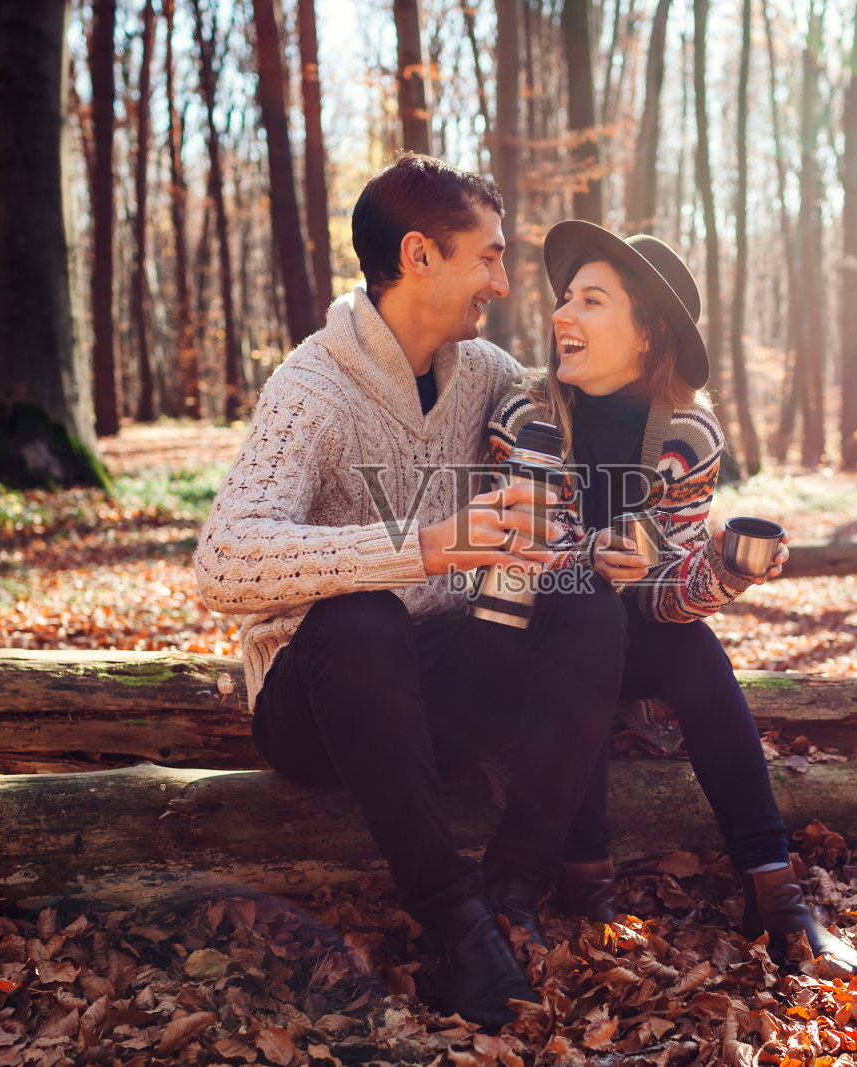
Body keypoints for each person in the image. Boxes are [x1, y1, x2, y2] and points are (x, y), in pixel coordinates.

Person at [193, 158, 628, 1027]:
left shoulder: (487, 374)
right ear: (420, 254)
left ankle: (513, 887)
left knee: (588, 601)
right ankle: (457, 922)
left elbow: (569, 434)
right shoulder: (311, 386)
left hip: (443, 680)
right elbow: (223, 562)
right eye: (489, 258)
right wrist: (423, 547)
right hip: (318, 698)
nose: (503, 285)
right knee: (361, 616)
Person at [485, 220, 857, 977]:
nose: (562, 314)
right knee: (590, 609)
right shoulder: (525, 416)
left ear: (645, 334)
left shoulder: (687, 435)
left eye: (590, 301)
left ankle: (774, 887)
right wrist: (592, 558)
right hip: (528, 640)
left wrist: (726, 568)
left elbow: (666, 600)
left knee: (688, 648)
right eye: (565, 298)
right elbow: (513, 559)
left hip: (626, 636)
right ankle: (586, 873)